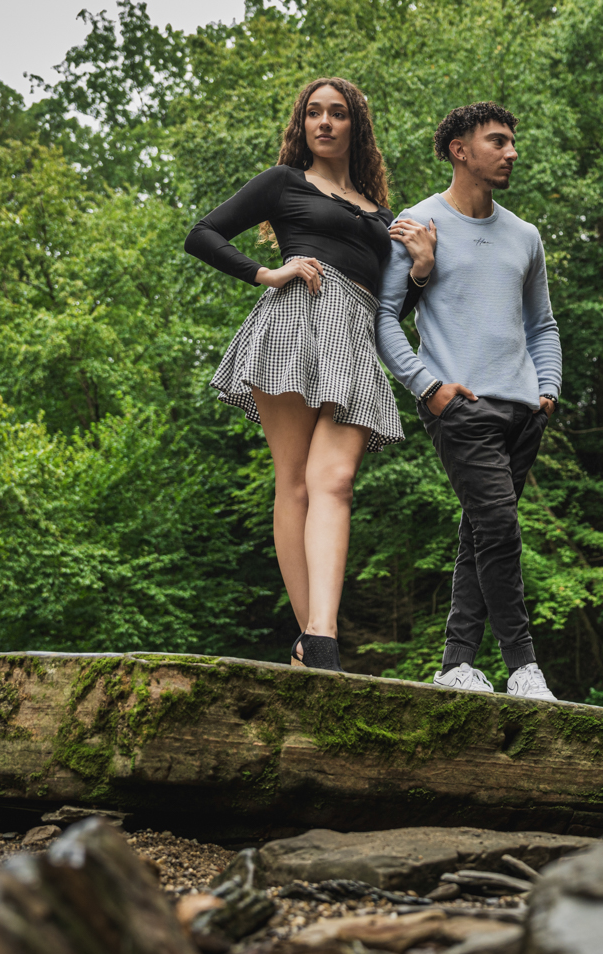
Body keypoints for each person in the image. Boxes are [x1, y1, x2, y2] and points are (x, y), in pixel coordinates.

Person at [185, 76, 438, 672]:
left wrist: (422, 270)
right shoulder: (284, 183)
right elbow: (202, 234)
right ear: (302, 126)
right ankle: (317, 639)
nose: (324, 122)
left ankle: (316, 639)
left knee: (337, 481)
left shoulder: (385, 216)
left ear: (357, 126)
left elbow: (390, 310)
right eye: (313, 114)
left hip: (354, 339)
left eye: (338, 113)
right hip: (295, 324)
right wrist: (266, 273)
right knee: (294, 480)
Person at [375, 102, 562, 701]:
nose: (512, 153)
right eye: (498, 141)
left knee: (481, 532)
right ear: (460, 149)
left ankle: (457, 662)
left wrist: (547, 388)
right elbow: (383, 319)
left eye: (513, 142)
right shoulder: (417, 224)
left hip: (524, 412)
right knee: (500, 529)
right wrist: (427, 389)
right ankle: (522, 666)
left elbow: (543, 326)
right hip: (462, 409)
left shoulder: (525, 236)